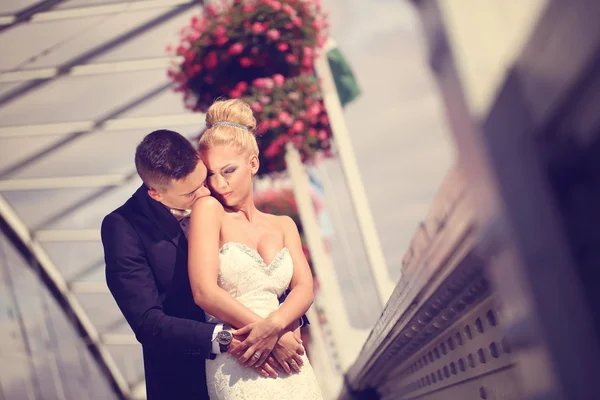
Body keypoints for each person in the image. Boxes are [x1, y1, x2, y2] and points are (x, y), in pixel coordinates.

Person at [101, 129, 306, 400]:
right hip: (186, 380)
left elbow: (263, 271)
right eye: (190, 192)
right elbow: (148, 323)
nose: (206, 192)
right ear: (156, 194)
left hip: (270, 363)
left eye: (203, 179)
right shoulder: (122, 227)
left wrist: (284, 326)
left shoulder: (220, 194)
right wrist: (228, 340)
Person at [188, 99, 323, 399]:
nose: (219, 183)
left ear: (253, 163)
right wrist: (269, 334)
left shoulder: (283, 224)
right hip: (242, 361)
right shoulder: (209, 211)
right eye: (210, 173)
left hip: (291, 358)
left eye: (229, 170)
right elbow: (204, 292)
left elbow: (304, 289)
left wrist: (275, 327)